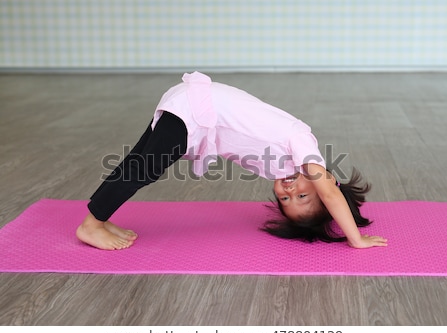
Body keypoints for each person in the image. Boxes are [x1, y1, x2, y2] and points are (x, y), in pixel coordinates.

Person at [76, 72, 387, 250]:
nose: (289, 190)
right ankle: (91, 225)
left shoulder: (279, 165)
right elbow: (331, 193)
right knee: (141, 170)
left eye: (285, 199)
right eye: (303, 195)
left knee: (138, 165)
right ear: (327, 182)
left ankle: (99, 219)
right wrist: (355, 238)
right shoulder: (304, 145)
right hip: (197, 111)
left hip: (191, 106)